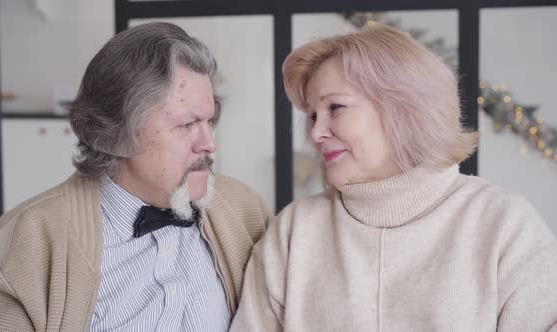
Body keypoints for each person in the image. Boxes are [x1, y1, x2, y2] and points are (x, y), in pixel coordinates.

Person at [231, 24, 557, 331]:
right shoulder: (294, 231)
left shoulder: (504, 225)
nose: (316, 132)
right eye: (313, 115)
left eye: (336, 108)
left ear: (403, 109)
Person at [0, 22, 272, 331]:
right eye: (186, 125)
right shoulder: (23, 248)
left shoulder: (245, 210)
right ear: (118, 134)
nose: (209, 143)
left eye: (210, 121)